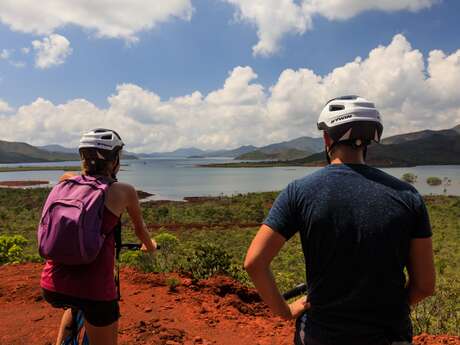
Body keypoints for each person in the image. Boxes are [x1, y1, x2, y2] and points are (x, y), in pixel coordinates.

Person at [244, 96, 435, 345]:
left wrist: (284, 311)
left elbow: (254, 262)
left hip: (321, 334)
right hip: (389, 335)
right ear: (368, 141)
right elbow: (424, 285)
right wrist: (391, 309)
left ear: (327, 140)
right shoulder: (408, 196)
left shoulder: (299, 192)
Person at [40, 128, 157, 345]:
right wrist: (150, 246)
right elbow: (141, 232)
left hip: (52, 285)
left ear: (83, 157)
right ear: (114, 161)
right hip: (95, 291)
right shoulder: (124, 191)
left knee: (73, 306)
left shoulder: (65, 181)